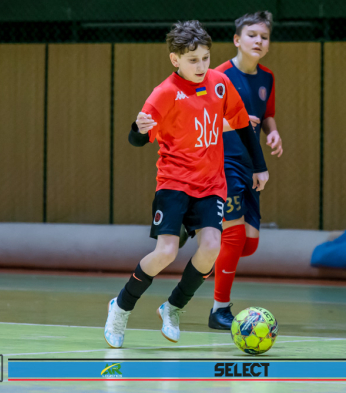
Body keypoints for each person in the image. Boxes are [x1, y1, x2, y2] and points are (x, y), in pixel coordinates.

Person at [104, 20, 266, 348]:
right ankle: (121, 306)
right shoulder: (165, 93)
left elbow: (242, 125)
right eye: (193, 60)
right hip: (174, 183)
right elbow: (138, 139)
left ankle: (173, 307)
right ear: (175, 59)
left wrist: (259, 167)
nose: (201, 66)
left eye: (206, 58)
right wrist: (137, 128)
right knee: (166, 252)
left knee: (211, 247)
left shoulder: (219, 83)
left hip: (211, 184)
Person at [208, 11, 283, 330]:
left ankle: (205, 250)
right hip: (225, 162)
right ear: (237, 40)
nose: (258, 41)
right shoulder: (218, 76)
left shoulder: (267, 77)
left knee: (248, 245)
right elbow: (204, 118)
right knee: (234, 236)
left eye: (264, 37)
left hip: (252, 163)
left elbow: (267, 114)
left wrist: (272, 132)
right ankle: (219, 310)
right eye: (252, 35)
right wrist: (233, 122)